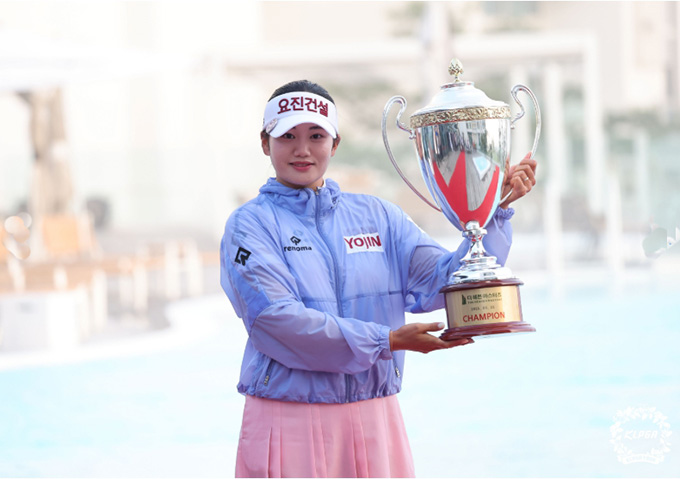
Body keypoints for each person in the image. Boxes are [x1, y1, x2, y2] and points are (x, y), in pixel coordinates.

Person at [220, 79, 537, 478]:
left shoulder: (377, 216)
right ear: (265, 143)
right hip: (288, 417)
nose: (302, 149)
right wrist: (385, 341)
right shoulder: (249, 225)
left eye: (316, 135)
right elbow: (276, 321)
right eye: (287, 136)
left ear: (335, 143)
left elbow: (445, 280)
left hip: (375, 415)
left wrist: (492, 210)